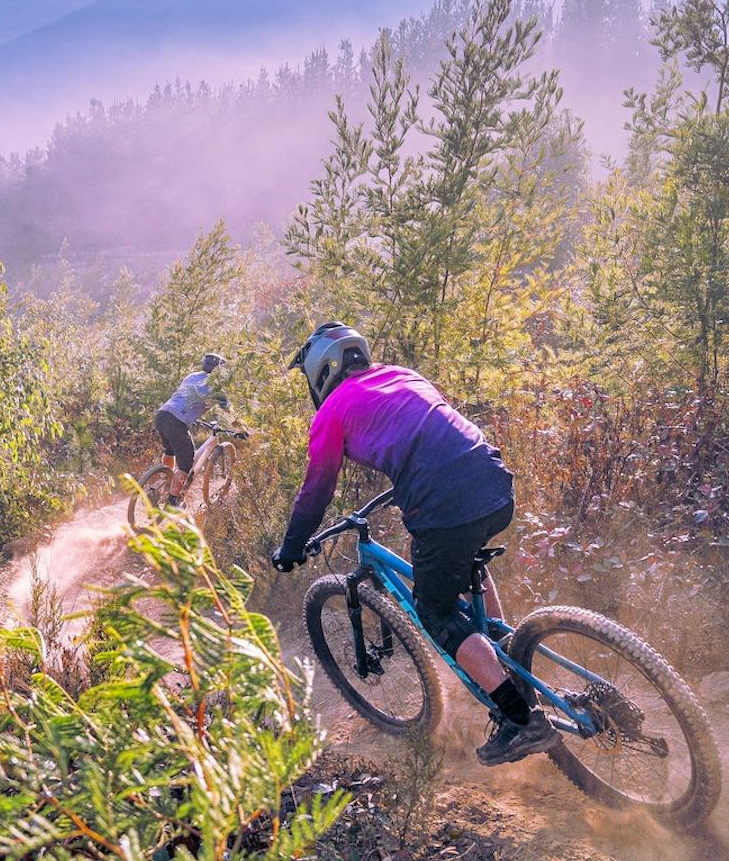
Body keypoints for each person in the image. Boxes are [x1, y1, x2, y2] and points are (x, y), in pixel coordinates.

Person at [271, 322, 558, 766]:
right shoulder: (403, 374)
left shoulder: (331, 412)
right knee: (462, 563)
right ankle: (502, 650)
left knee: (435, 610)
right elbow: (428, 432)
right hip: (494, 481)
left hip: (443, 503)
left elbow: (315, 490)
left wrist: (292, 547)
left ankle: (521, 719)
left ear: (320, 371)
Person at [154, 353, 230, 503]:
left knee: (170, 450)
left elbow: (185, 397)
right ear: (219, 371)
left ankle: (162, 483)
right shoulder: (218, 388)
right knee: (186, 463)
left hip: (162, 414)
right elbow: (226, 410)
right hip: (177, 421)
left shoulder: (191, 376)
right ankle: (173, 501)